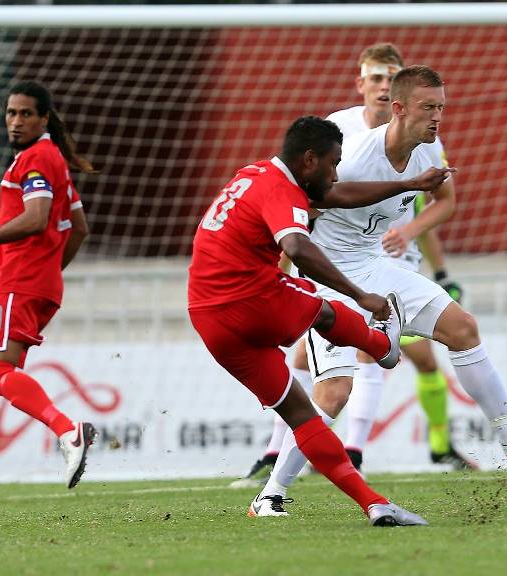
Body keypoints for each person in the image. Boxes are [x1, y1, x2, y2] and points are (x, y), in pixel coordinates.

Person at [253, 66, 507, 516]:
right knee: (334, 392)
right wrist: (282, 275)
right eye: (428, 107)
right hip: (328, 278)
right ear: (399, 108)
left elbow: (443, 204)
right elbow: (312, 199)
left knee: (462, 328)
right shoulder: (358, 154)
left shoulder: (428, 154)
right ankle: (270, 493)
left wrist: (419, 239)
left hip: (374, 265)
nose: (437, 117)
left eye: (441, 107)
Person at [188, 115, 452, 526]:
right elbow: (296, 244)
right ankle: (383, 347)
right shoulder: (282, 189)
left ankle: (371, 504)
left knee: (303, 415)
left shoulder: (256, 174)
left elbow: (339, 196)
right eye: (332, 163)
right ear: (310, 159)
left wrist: (406, 184)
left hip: (208, 319)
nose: (334, 173)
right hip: (247, 298)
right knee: (323, 305)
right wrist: (361, 294)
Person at [235, 44, 471, 485]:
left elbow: (434, 206)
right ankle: (277, 458)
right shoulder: (338, 133)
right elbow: (302, 211)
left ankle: (416, 446)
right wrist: (279, 273)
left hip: (394, 264)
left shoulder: (425, 138)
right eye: (375, 78)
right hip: (336, 268)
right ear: (361, 84)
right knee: (317, 364)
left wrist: (428, 256)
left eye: (390, 77)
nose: (383, 86)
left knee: (417, 353)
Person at [0, 80, 95, 489]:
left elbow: (35, 218)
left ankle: (68, 430)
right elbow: (79, 228)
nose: (16, 121)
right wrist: (50, 269)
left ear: (43, 118)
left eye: (25, 113)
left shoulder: (35, 159)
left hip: (19, 281)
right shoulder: (52, 160)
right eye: (11, 113)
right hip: (40, 282)